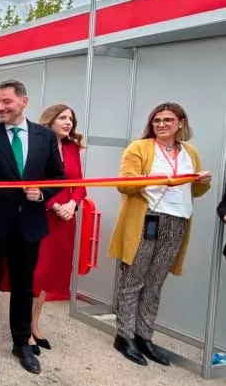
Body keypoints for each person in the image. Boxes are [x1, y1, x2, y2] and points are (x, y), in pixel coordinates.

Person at [0, 79, 65, 376]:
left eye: (6, 102)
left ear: (24, 102)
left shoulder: (44, 137)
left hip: (29, 225)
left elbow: (58, 178)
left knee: (24, 287)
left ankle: (21, 343)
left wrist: (44, 194)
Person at [109, 102, 211, 366]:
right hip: (146, 219)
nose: (161, 124)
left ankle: (144, 336)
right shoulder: (139, 148)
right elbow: (123, 184)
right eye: (157, 120)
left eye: (167, 120)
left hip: (177, 222)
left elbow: (193, 192)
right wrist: (159, 179)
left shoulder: (190, 153)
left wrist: (202, 183)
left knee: (155, 283)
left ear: (181, 123)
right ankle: (124, 335)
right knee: (133, 280)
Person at [28, 104, 87, 352]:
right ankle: (24, 326)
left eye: (71, 119)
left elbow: (80, 184)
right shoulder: (38, 145)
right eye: (62, 118)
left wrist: (72, 203)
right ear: (50, 120)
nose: (68, 122)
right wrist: (54, 205)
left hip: (66, 219)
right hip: (42, 215)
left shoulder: (73, 148)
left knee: (50, 275)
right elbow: (33, 182)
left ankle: (34, 324)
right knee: (36, 273)